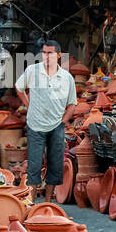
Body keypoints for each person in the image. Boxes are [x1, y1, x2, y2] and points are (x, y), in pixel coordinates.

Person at [15, 39, 76, 204]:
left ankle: (48, 203)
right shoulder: (32, 71)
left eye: (50, 53)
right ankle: (31, 202)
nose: (46, 56)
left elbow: (72, 104)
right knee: (34, 165)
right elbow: (19, 88)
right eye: (44, 53)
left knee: (55, 165)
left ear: (59, 55)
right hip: (35, 125)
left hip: (56, 126)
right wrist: (29, 105)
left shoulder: (66, 77)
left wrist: (63, 121)